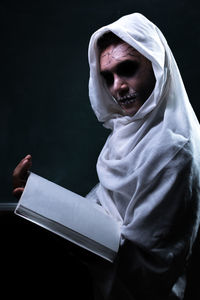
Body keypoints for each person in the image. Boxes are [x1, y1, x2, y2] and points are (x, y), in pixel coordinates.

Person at [13, 13, 200, 300]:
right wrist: (39, 198)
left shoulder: (174, 149)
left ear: (157, 64)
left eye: (127, 69)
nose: (117, 87)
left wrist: (68, 230)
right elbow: (102, 210)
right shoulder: (129, 130)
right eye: (107, 77)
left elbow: (152, 263)